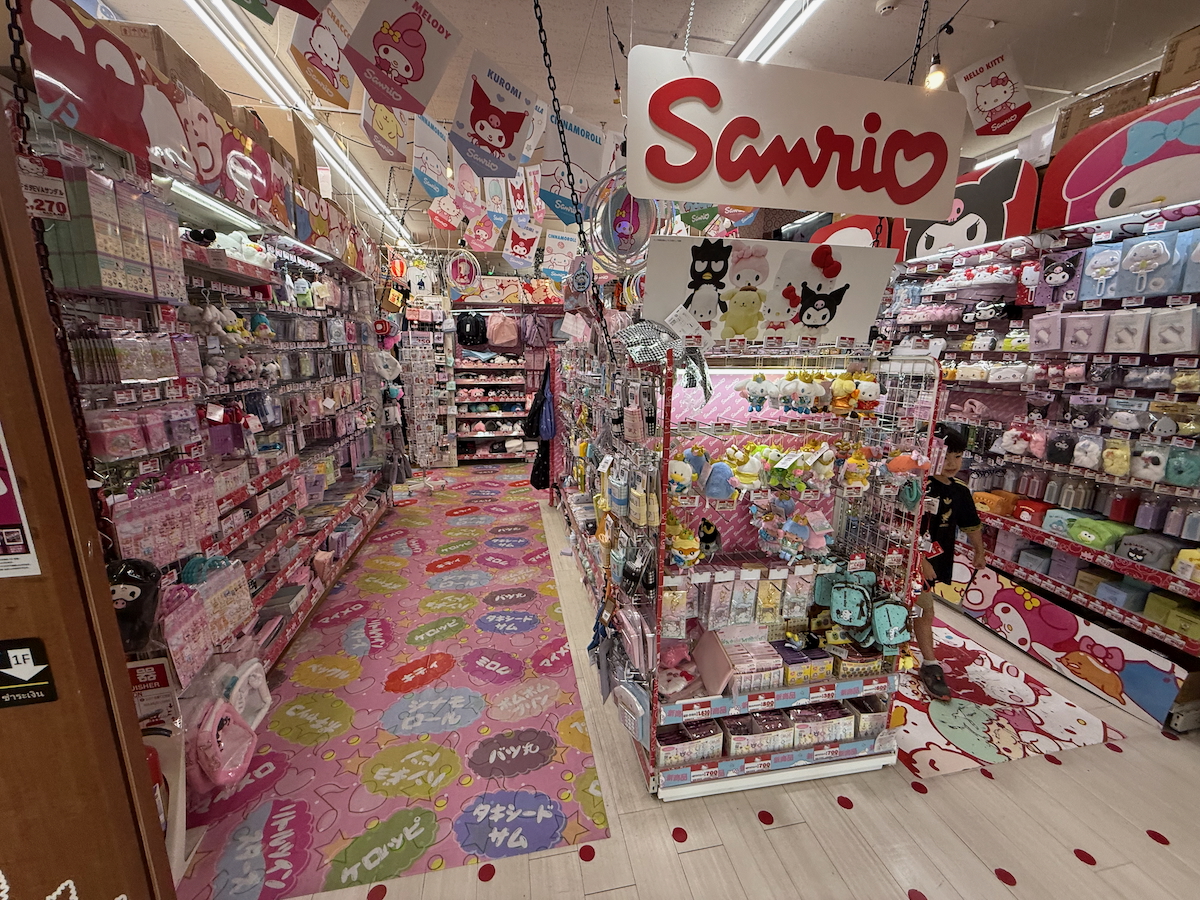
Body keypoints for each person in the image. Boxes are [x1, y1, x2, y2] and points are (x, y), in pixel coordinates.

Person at [915, 425, 986, 700]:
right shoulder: (917, 486)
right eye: (945, 457)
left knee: (921, 607)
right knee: (924, 609)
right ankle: (930, 662)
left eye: (957, 456)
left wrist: (979, 551)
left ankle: (919, 653)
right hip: (907, 559)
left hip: (936, 559)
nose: (952, 463)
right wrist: (920, 560)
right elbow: (902, 525)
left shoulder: (960, 490)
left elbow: (971, 524)